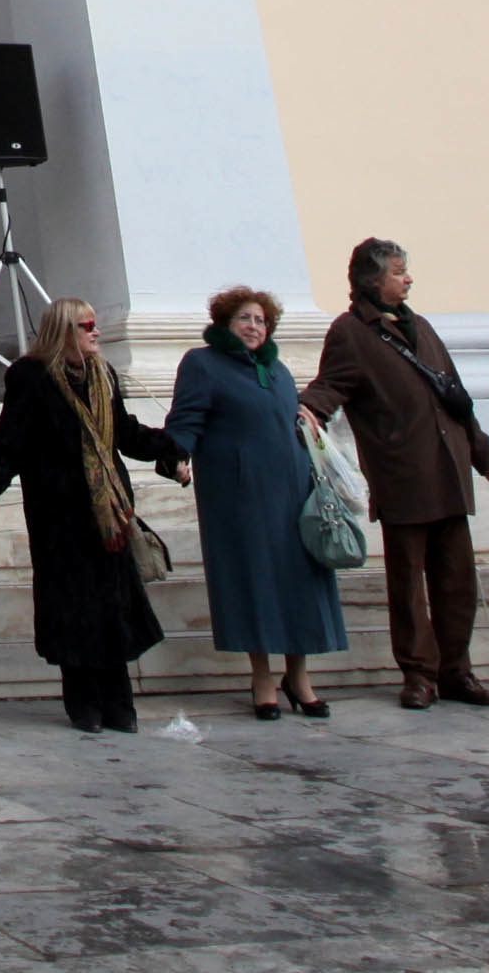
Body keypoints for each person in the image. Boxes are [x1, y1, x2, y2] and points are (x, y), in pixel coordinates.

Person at [297, 236, 489, 712]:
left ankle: (457, 670)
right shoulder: (350, 331)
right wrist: (307, 409)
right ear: (373, 280)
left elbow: (456, 399)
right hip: (402, 475)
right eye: (398, 271)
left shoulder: (425, 328)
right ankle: (418, 674)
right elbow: (332, 385)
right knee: (408, 584)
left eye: (405, 270)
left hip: (449, 472)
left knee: (457, 581)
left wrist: (485, 456)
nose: (408, 278)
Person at [0, 296, 172, 731]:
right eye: (86, 326)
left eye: (95, 324)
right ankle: (83, 701)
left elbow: (125, 433)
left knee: (114, 607)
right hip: (59, 515)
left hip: (109, 514)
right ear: (64, 331)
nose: (95, 332)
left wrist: (172, 449)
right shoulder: (31, 377)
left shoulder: (104, 375)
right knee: (73, 608)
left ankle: (120, 703)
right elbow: (11, 439)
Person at [165, 284, 342, 718]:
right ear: (226, 321)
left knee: (299, 581)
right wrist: (175, 455)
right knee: (254, 582)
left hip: (292, 491)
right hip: (238, 495)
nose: (254, 326)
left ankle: (298, 676)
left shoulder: (278, 370)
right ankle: (261, 676)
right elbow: (186, 418)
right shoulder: (203, 364)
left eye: (262, 320)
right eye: (245, 317)